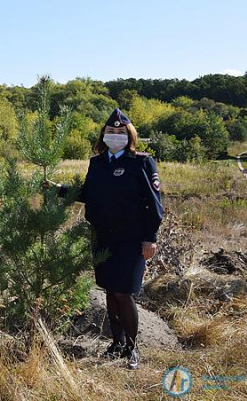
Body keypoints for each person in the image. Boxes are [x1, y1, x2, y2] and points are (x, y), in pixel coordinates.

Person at [43, 109, 163, 370]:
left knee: (124, 291)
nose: (116, 135)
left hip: (131, 239)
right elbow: (88, 193)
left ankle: (132, 349)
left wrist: (150, 238)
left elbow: (155, 206)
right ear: (104, 135)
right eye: (111, 132)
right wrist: (57, 190)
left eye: (121, 132)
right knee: (110, 290)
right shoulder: (97, 163)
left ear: (129, 135)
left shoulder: (141, 163)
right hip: (101, 236)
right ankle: (116, 344)